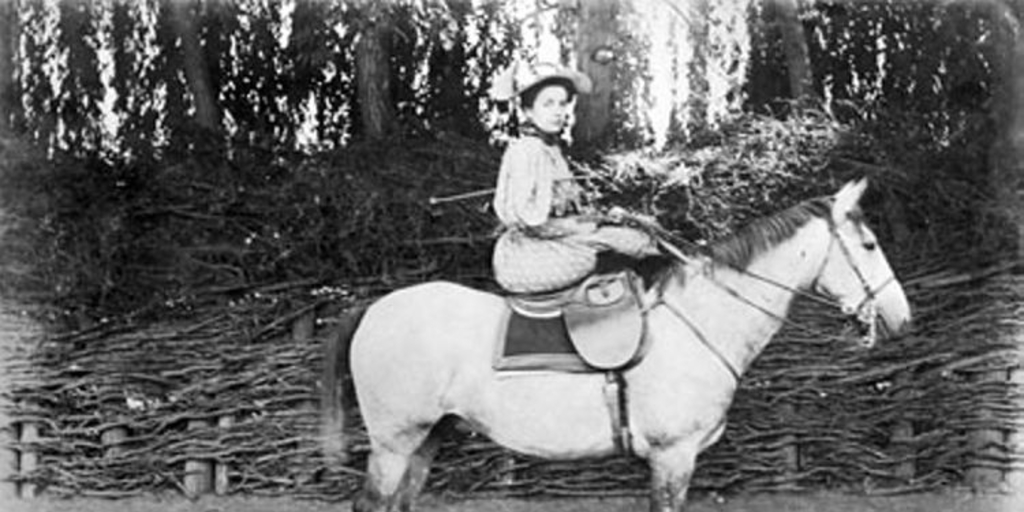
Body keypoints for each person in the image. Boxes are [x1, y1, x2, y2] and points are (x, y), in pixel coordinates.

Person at [488, 61, 661, 294]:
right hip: (527, 253)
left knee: (638, 237)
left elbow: (566, 205)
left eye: (562, 103)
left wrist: (602, 217)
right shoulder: (527, 151)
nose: (558, 111)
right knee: (630, 244)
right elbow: (530, 223)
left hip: (553, 237)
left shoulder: (551, 149)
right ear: (528, 110)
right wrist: (583, 228)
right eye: (548, 104)